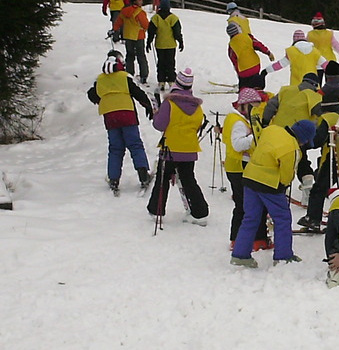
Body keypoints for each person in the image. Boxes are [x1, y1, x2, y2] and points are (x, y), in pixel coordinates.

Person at [230, 119, 317, 268]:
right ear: (304, 139)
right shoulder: (292, 149)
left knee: (250, 218)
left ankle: (240, 255)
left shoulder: (271, 129)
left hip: (250, 177)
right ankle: (283, 256)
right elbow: (286, 176)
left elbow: (254, 144)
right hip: (270, 184)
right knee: (282, 218)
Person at [146, 68, 209, 225]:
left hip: (170, 149)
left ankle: (157, 211)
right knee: (189, 180)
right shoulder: (197, 107)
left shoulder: (169, 103)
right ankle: (200, 213)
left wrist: (156, 113)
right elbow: (196, 127)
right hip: (189, 149)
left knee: (162, 179)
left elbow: (160, 125)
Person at [87, 50, 153, 195]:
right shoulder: (124, 77)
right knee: (135, 144)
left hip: (110, 117)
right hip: (127, 114)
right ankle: (143, 175)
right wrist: (148, 106)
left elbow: (91, 94)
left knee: (115, 148)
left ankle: (114, 179)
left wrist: (101, 100)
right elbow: (138, 93)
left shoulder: (100, 80)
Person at [296, 92, 339, 232]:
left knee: (319, 188)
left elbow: (317, 140)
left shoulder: (328, 118)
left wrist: (303, 144)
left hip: (333, 157)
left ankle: (313, 218)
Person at [222, 88, 272, 251]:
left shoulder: (235, 119)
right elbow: (237, 144)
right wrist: (257, 136)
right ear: (244, 106)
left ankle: (238, 238)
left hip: (235, 166)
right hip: (239, 167)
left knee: (243, 204)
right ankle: (253, 239)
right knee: (249, 204)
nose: (255, 111)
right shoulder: (238, 122)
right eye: (253, 107)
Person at [262, 72, 323, 204]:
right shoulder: (313, 95)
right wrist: (316, 128)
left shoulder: (286, 90)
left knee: (278, 160)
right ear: (315, 85)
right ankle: (307, 185)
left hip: (279, 132)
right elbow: (321, 113)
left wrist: (265, 122)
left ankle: (280, 189)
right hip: (301, 133)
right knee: (301, 160)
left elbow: (271, 105)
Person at [226, 2, 274, 89]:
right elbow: (258, 44)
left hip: (238, 42)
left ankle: (243, 85)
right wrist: (268, 52)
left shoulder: (232, 20)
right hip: (248, 40)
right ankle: (254, 85)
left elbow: (233, 59)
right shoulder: (244, 18)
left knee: (241, 63)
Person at [262, 30, 327, 86]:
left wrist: (266, 70)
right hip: (312, 84)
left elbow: (280, 64)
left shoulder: (292, 52)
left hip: (296, 85)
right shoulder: (314, 51)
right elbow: (325, 65)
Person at [146, 0, 183, 91]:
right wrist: (181, 41)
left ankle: (161, 81)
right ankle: (171, 81)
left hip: (160, 44)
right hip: (170, 45)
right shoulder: (173, 18)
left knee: (161, 63)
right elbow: (177, 32)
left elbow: (151, 32)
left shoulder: (155, 18)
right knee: (170, 63)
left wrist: (148, 42)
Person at [113, 0, 149, 84]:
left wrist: (114, 29)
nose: (141, 1)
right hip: (138, 36)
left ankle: (129, 73)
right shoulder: (140, 12)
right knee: (141, 56)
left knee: (129, 55)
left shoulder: (124, 10)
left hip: (128, 36)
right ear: (136, 1)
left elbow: (118, 22)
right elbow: (145, 24)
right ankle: (143, 75)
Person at [306, 12, 339, 82]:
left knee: (317, 84)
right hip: (329, 63)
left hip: (316, 63)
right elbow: (337, 46)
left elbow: (306, 47)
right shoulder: (329, 34)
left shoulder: (310, 35)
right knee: (329, 84)